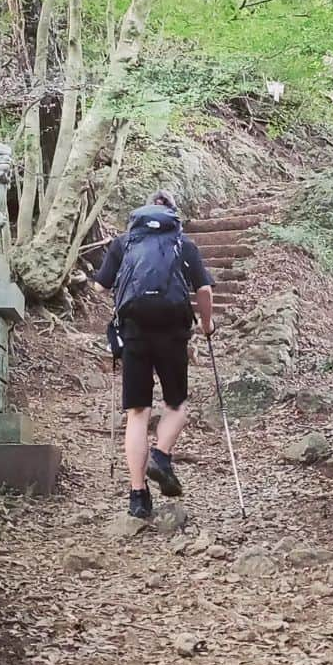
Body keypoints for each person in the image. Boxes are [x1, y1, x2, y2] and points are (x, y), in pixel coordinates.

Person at [93, 189, 215, 518]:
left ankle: (137, 496)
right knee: (176, 404)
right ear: (174, 215)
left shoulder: (124, 243)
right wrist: (207, 325)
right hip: (173, 331)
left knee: (137, 413)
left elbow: (99, 287)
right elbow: (203, 290)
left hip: (134, 331)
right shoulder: (183, 244)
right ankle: (161, 456)